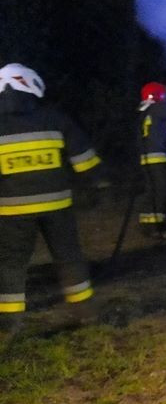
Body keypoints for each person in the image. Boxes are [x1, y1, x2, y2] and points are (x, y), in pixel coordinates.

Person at [0, 63, 102, 340]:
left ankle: (8, 325)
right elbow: (86, 162)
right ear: (31, 84)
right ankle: (85, 313)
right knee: (69, 258)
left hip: (11, 211)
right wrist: (99, 181)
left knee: (11, 264)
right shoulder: (55, 118)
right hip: (57, 207)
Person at [138, 81, 166, 238]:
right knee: (165, 192)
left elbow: (160, 131)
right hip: (158, 157)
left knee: (152, 192)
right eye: (164, 95)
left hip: (147, 158)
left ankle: (147, 225)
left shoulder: (145, 109)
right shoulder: (158, 108)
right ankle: (159, 227)